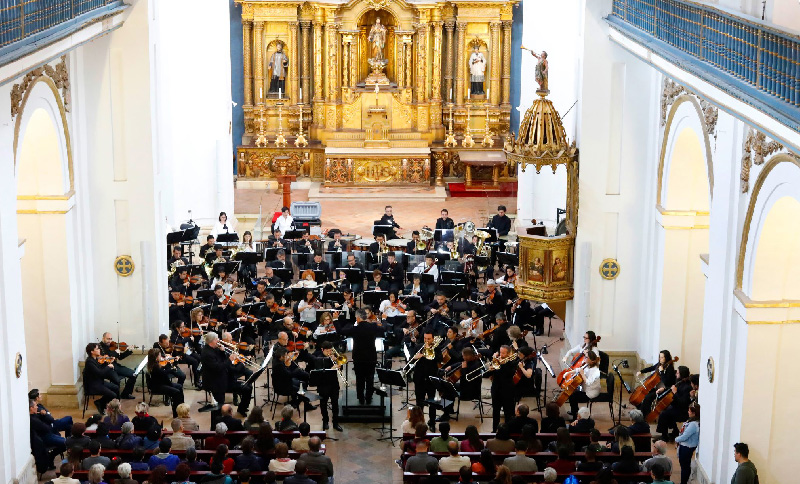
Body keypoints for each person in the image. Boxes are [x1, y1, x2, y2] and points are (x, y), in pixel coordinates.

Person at [339, 308, 384, 404]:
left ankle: (360, 398)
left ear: (358, 318)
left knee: (359, 379)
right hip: (371, 357)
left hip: (358, 358)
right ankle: (368, 398)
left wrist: (335, 320)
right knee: (370, 378)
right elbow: (384, 329)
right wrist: (382, 320)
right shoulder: (373, 326)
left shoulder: (355, 328)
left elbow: (340, 331)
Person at [201, 331, 251, 417]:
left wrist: (223, 351)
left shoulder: (215, 348)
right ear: (211, 341)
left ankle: (242, 409)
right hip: (216, 384)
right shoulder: (207, 353)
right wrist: (230, 359)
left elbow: (222, 360)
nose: (219, 341)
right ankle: (216, 425)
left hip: (224, 379)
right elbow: (218, 367)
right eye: (217, 339)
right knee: (218, 407)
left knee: (248, 388)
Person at [411, 330, 442, 429]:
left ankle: (432, 423)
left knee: (432, 402)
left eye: (429, 339)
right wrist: (415, 357)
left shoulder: (436, 348)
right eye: (425, 339)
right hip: (419, 379)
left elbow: (440, 358)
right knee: (419, 402)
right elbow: (410, 359)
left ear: (433, 339)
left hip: (431, 379)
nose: (427, 341)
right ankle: (419, 423)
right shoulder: (418, 346)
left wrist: (429, 352)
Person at [310, 341, 343, 431]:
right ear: (322, 349)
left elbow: (341, 368)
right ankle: (325, 421)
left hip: (334, 384)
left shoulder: (333, 356)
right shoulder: (318, 358)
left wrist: (338, 363)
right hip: (323, 385)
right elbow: (320, 371)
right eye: (327, 351)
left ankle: (336, 423)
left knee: (335, 404)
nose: (329, 353)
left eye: (330, 351)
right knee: (323, 404)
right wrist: (331, 369)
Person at [485, 345, 517, 432]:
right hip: (496, 390)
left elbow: (510, 374)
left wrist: (502, 365)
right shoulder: (496, 361)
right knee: (495, 411)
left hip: (507, 390)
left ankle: (508, 430)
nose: (501, 355)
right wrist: (490, 369)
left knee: (508, 412)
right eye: (500, 352)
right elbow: (486, 375)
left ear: (508, 354)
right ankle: (494, 429)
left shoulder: (512, 362)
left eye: (503, 353)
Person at [146, 348, 185, 418]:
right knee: (176, 392)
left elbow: (164, 372)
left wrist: (169, 364)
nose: (161, 357)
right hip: (157, 386)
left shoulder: (154, 364)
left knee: (179, 386)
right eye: (159, 355)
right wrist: (171, 368)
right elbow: (166, 379)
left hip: (160, 383)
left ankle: (182, 407)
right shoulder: (156, 367)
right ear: (156, 357)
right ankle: (176, 414)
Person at [83, 343, 120, 414]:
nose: (99, 350)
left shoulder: (95, 359)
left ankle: (106, 405)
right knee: (113, 395)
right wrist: (108, 367)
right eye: (97, 349)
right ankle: (100, 403)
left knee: (116, 387)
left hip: (99, 382)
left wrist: (108, 362)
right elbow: (100, 373)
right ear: (92, 351)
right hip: (93, 385)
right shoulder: (89, 362)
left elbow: (100, 368)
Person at [567, 350, 602, 417]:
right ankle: (574, 412)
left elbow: (588, 383)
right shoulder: (587, 365)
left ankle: (575, 416)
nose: (584, 358)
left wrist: (582, 374)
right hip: (586, 389)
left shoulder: (595, 371)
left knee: (573, 396)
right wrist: (568, 373)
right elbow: (578, 370)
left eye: (586, 357)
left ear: (591, 360)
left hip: (591, 392)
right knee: (571, 392)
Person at [675, 404, 700, 484]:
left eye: (689, 411)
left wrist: (676, 439)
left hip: (687, 447)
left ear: (694, 413)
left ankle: (683, 482)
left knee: (685, 467)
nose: (688, 412)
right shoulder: (691, 421)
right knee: (684, 466)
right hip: (685, 446)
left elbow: (685, 435)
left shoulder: (693, 424)